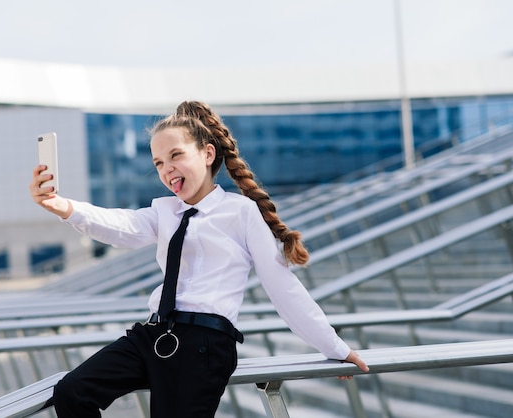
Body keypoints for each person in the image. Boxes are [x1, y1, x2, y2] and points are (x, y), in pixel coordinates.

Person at [30, 100, 369, 418]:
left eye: (176, 156)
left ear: (207, 154)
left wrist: (335, 346)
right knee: (73, 392)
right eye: (159, 163)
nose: (167, 170)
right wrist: (62, 206)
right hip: (152, 335)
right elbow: (122, 227)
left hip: (203, 346)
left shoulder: (240, 212)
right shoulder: (164, 210)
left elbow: (283, 287)